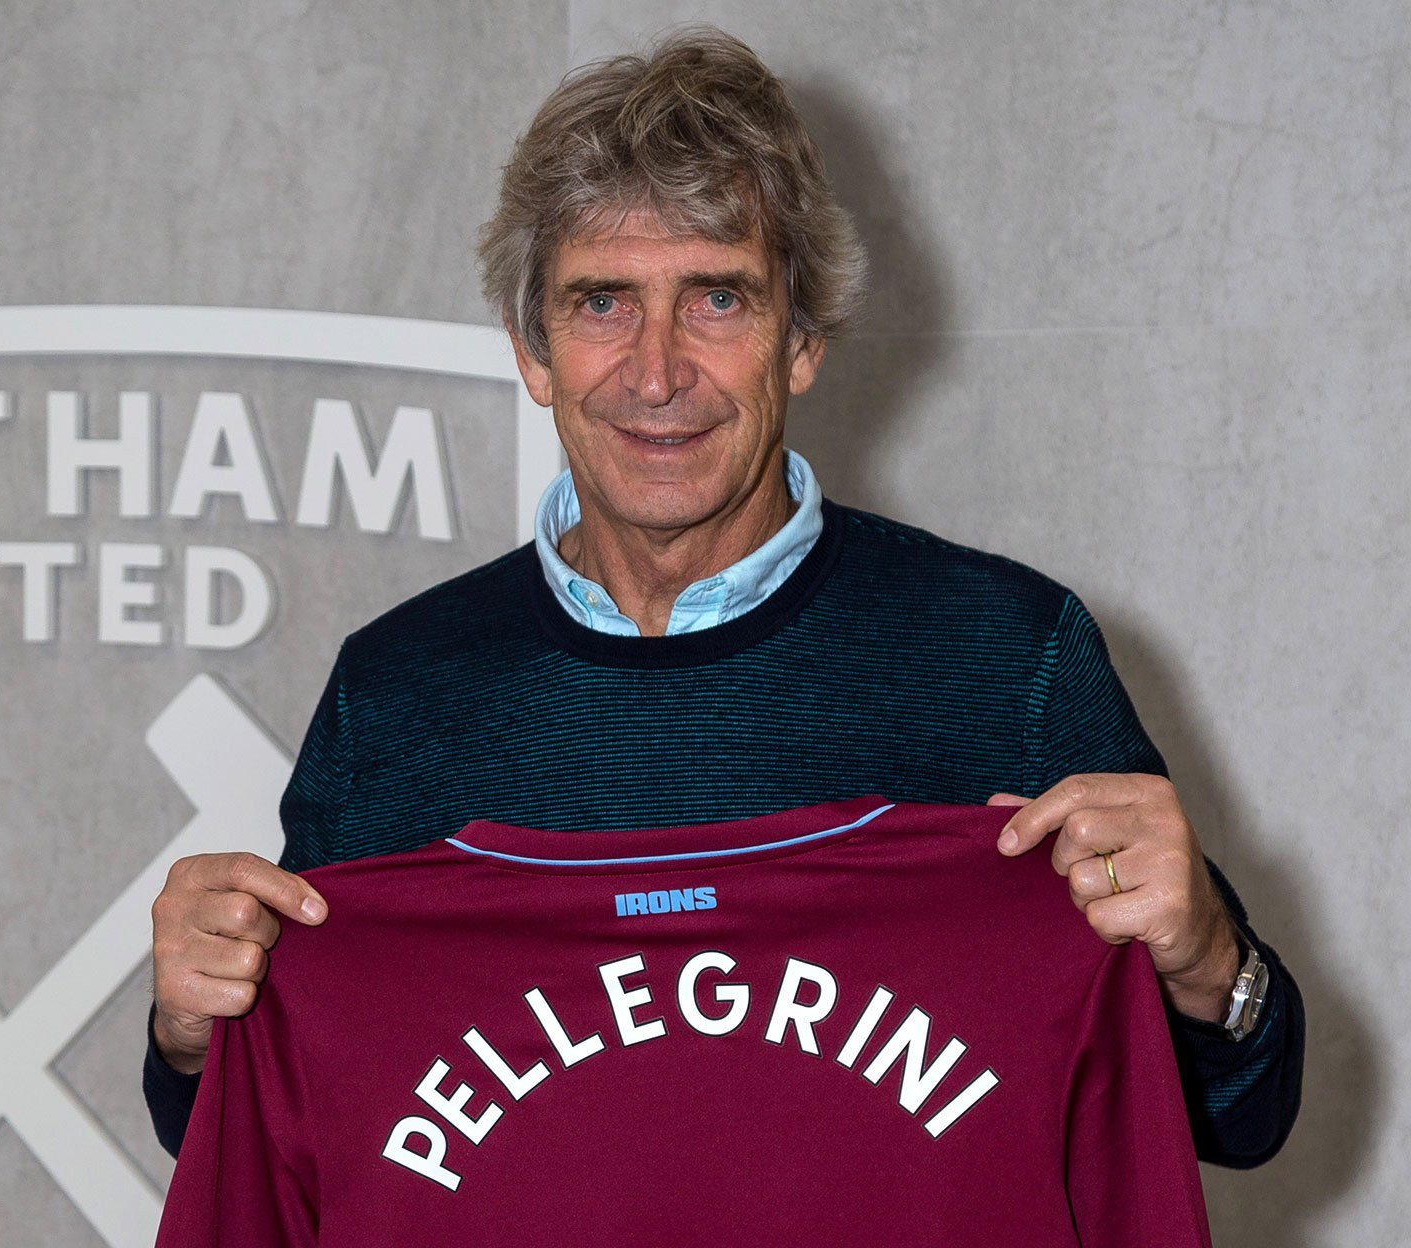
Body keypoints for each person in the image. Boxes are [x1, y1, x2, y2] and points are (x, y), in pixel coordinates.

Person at [141, 24, 1301, 1173]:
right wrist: (193, 1043)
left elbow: (1232, 1121)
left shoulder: (1007, 659)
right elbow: (285, 1156)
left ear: (800, 341)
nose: (655, 373)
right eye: (602, 303)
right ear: (532, 351)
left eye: (716, 300)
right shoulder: (397, 694)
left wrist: (1211, 965)